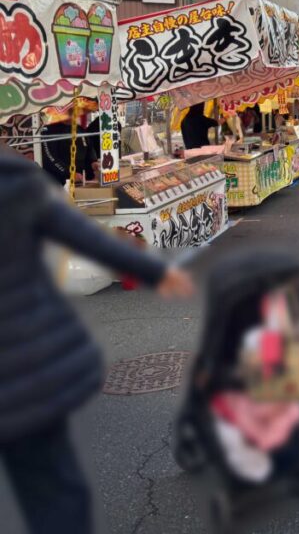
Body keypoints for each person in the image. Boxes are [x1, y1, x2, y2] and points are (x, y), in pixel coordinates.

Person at [0, 149, 193, 534]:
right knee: (49, 475)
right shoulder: (15, 181)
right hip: (30, 357)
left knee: (42, 470)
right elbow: (79, 232)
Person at [40, 115, 96, 187]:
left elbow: (89, 148)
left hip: (81, 181)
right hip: (57, 181)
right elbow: (49, 157)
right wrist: (70, 173)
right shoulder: (49, 130)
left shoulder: (80, 129)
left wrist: (93, 162)